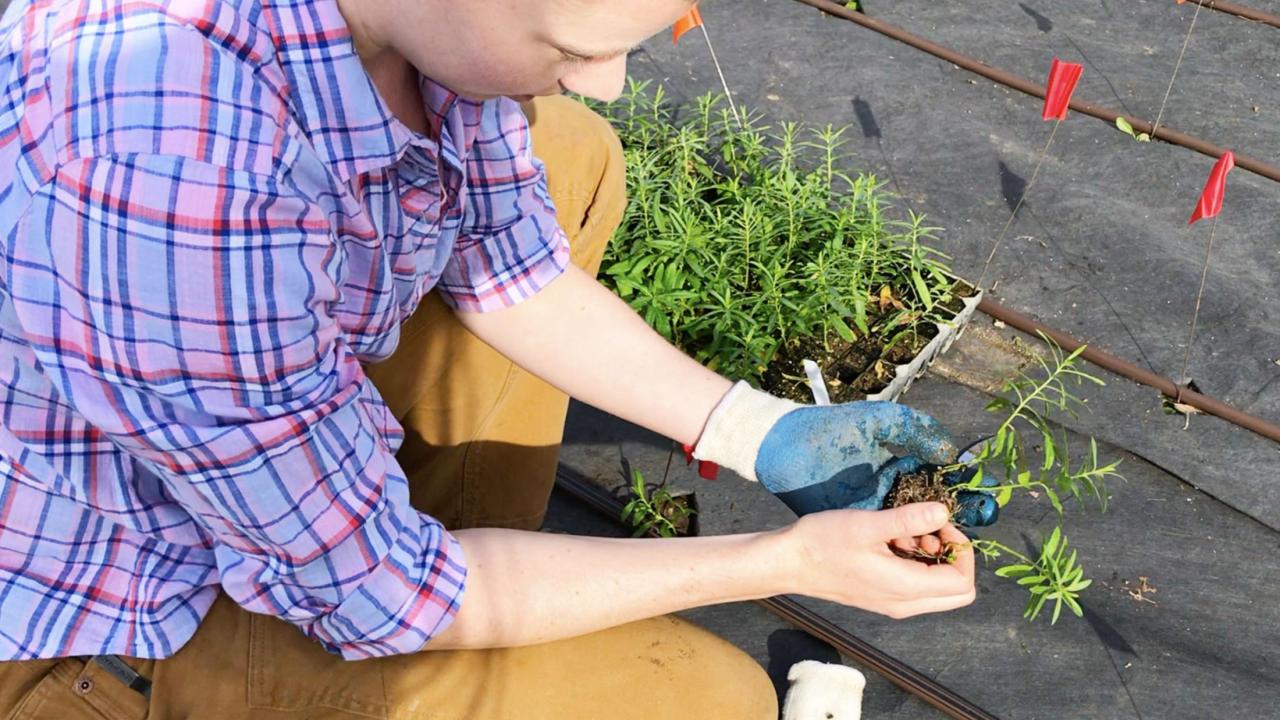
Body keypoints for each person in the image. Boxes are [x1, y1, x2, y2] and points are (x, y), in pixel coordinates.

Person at [0, 0, 977, 717]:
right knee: (707, 700)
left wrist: (762, 432)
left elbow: (509, 267)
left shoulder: (410, 34)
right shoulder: (175, 185)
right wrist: (780, 560)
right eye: (568, 44)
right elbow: (384, 592)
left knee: (571, 153)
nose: (610, 77)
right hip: (109, 616)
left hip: (215, 471)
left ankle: (474, 581)